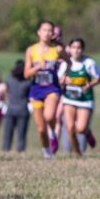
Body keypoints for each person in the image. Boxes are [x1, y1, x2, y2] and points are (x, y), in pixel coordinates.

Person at [23, 20, 66, 158]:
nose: (47, 33)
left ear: (53, 34)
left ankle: (53, 132)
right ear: (39, 32)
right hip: (36, 90)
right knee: (41, 129)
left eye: (50, 31)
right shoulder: (31, 50)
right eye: (44, 30)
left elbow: (69, 62)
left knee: (49, 116)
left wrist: (64, 75)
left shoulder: (57, 50)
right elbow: (26, 74)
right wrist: (37, 67)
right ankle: (47, 151)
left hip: (52, 88)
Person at [58, 38, 100, 155]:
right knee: (70, 128)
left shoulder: (89, 63)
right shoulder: (65, 63)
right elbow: (59, 79)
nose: (76, 50)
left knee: (80, 128)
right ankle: (78, 153)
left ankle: (87, 131)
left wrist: (90, 84)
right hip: (69, 99)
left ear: (82, 49)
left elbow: (99, 77)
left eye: (79, 48)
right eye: (74, 47)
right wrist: (63, 80)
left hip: (85, 99)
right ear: (69, 49)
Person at [2, 60, 31, 152]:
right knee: (21, 133)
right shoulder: (28, 82)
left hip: (10, 108)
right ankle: (20, 150)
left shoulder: (10, 79)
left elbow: (6, 91)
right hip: (23, 109)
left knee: (7, 133)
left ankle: (6, 149)